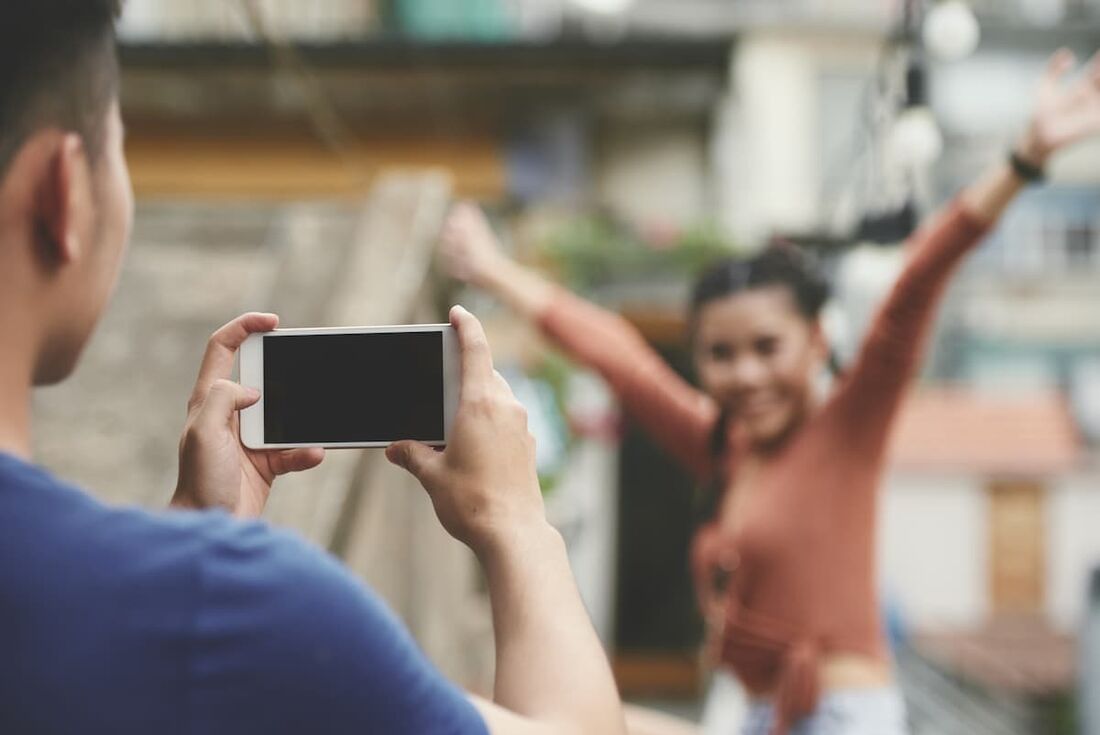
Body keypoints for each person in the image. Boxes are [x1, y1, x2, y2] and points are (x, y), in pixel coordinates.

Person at [0, 2, 626, 734]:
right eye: (119, 151)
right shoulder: (246, 608)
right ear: (63, 191)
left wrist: (197, 530)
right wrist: (513, 516)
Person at [439, 49, 1100, 735]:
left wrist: (1027, 156)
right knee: (565, 721)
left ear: (817, 341)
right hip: (761, 713)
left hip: (844, 716)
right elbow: (621, 357)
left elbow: (918, 280)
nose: (746, 374)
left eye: (767, 348)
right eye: (721, 354)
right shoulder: (722, 444)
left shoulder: (848, 426)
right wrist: (494, 270)